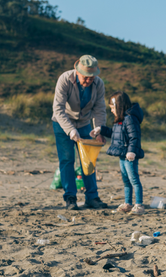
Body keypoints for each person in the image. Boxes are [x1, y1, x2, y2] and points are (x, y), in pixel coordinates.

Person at [52, 55, 107, 210]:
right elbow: (58, 109)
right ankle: (70, 198)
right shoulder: (64, 79)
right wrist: (70, 130)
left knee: (88, 161)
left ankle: (92, 197)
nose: (88, 81)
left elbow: (100, 109)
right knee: (67, 160)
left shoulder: (99, 84)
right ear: (77, 71)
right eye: (85, 77)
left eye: (91, 78)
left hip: (84, 124)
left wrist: (99, 130)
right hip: (62, 123)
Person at [90, 91, 145, 215]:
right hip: (122, 155)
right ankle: (128, 203)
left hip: (129, 156)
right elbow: (115, 135)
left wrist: (131, 151)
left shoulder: (130, 118)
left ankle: (139, 205)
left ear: (119, 106)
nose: (111, 110)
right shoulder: (119, 120)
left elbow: (134, 137)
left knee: (134, 180)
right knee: (126, 180)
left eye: (113, 107)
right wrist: (101, 130)